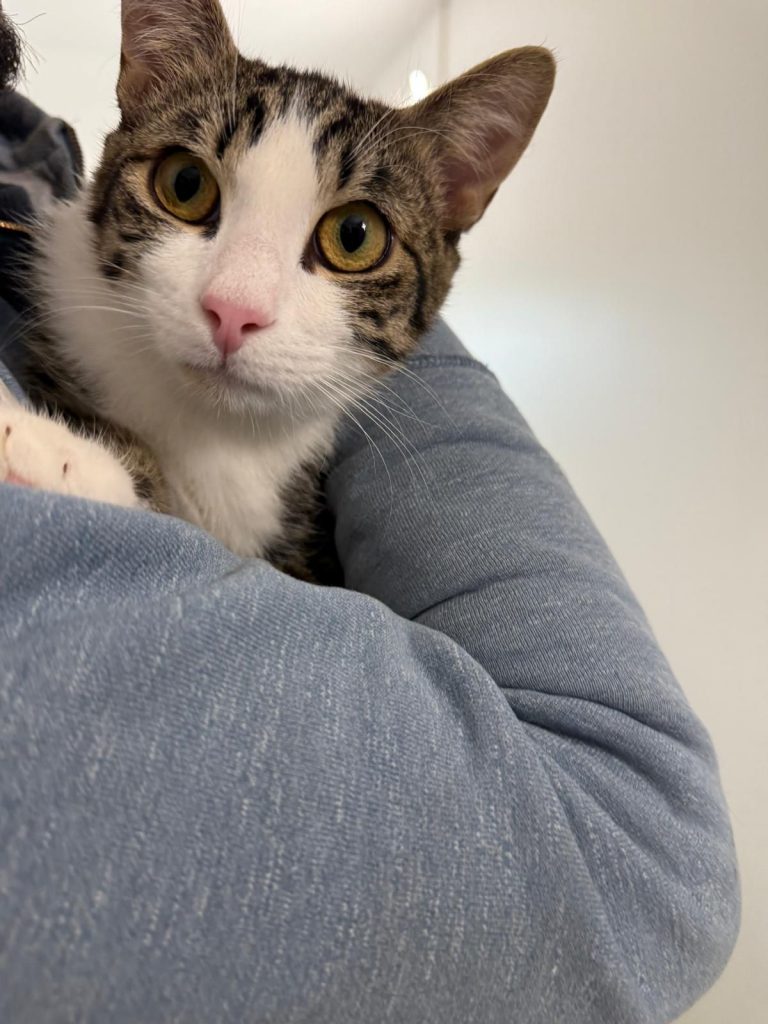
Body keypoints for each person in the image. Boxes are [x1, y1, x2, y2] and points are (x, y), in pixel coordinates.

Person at [0, 8, 739, 1022]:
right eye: (189, 189)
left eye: (349, 238)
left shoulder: (37, 151)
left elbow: (643, 851)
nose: (238, 302)